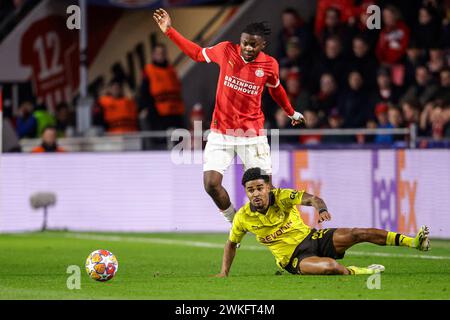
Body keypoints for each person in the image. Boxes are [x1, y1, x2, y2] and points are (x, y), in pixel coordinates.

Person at [153, 8, 305, 223]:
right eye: (244, 43)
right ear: (239, 41)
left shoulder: (270, 65)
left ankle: (281, 230)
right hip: (221, 133)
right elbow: (197, 53)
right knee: (210, 183)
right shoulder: (225, 51)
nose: (247, 48)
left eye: (253, 44)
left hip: (252, 135)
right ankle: (234, 221)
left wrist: (291, 112)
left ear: (263, 46)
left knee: (265, 192)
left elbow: (276, 89)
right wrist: (169, 31)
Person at [214, 168, 430, 277]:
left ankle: (414, 243)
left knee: (358, 233)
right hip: (295, 258)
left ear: (268, 187)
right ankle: (360, 271)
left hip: (313, 237)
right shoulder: (243, 217)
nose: (256, 194)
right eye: (251, 190)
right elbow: (231, 244)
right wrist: (224, 272)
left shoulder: (282, 196)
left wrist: (321, 209)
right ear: (246, 192)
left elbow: (312, 199)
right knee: (330, 267)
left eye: (259, 188)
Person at [139, 43, 185, 131]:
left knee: (179, 140)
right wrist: (151, 110)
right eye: (158, 53)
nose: (161, 56)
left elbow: (178, 89)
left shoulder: (171, 70)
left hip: (176, 112)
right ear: (153, 55)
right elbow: (144, 92)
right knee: (163, 140)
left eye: (163, 53)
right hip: (159, 113)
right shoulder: (149, 70)